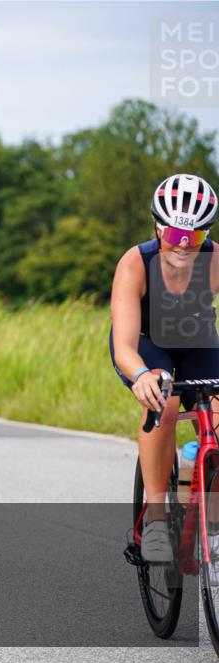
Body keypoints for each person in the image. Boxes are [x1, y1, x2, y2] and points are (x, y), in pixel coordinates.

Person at [110, 173, 219, 561]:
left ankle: (215, 520)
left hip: (198, 344)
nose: (184, 248)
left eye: (196, 239)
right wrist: (140, 375)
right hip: (147, 346)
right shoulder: (136, 263)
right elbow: (124, 344)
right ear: (158, 227)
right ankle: (156, 516)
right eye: (175, 236)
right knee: (165, 400)